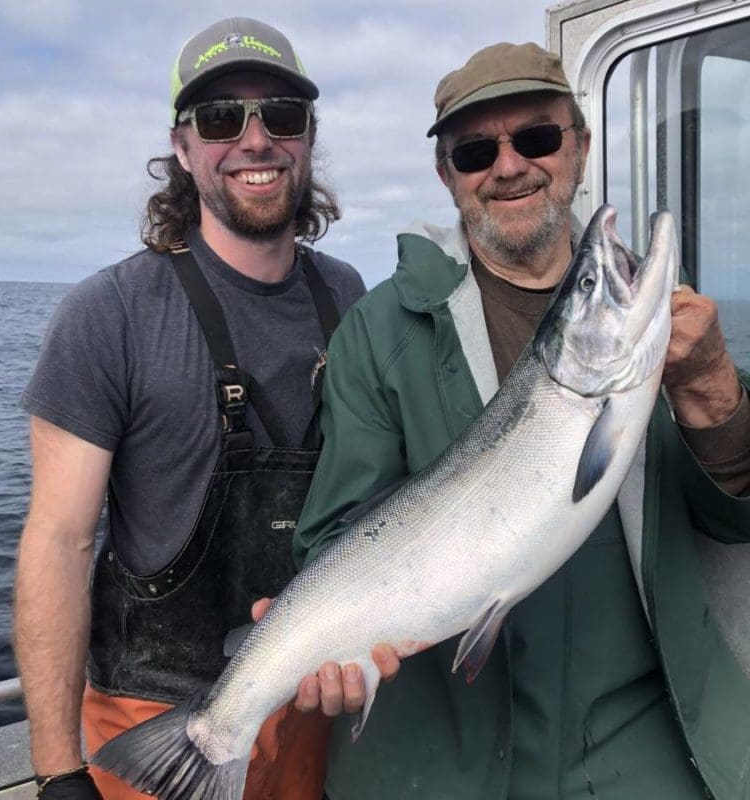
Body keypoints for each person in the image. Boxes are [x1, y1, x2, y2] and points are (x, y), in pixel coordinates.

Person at [292, 42, 750, 800]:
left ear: (580, 146)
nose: (508, 166)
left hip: (644, 740)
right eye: (475, 150)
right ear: (447, 176)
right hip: (444, 761)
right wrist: (321, 641)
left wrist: (711, 389)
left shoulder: (653, 316)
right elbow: (336, 533)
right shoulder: (381, 330)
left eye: (536, 137)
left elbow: (731, 518)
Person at [13, 17, 364, 800]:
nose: (254, 140)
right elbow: (59, 542)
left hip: (310, 701)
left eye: (281, 114)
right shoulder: (108, 312)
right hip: (154, 719)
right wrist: (56, 768)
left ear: (307, 137)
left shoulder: (349, 299)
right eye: (219, 118)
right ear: (181, 148)